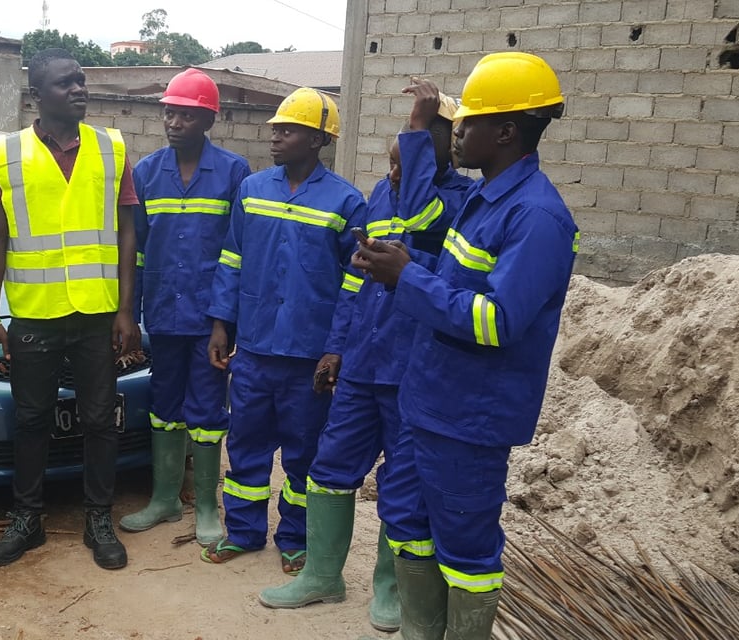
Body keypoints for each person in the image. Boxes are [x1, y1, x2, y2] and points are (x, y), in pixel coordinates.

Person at [352, 52, 577, 639]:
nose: (457, 132)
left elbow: (499, 321)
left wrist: (409, 276)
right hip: (429, 398)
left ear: (505, 132)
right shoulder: (486, 198)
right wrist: (399, 265)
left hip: (471, 416)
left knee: (466, 550)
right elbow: (457, 285)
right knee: (405, 519)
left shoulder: (537, 217)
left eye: (468, 123)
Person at [259, 85, 473, 633]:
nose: (394, 174)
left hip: (411, 370)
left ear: (439, 147)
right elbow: (355, 281)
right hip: (363, 361)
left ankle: (389, 590)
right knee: (329, 470)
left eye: (407, 160)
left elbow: (421, 216)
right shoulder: (380, 195)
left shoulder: (458, 202)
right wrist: (336, 346)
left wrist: (418, 128)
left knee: (401, 484)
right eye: (392, 163)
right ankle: (323, 576)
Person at [0, 48, 142, 570]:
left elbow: (126, 231)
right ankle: (28, 519)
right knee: (31, 420)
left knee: (99, 420)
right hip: (36, 313)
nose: (79, 89)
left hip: (96, 312)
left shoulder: (112, 147)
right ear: (37, 96)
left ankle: (98, 517)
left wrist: (125, 310)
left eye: (82, 81)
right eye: (66, 83)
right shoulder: (5, 154)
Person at [201, 88, 367, 575]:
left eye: (288, 129)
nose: (275, 135)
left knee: (303, 455)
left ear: (318, 139)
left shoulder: (346, 201)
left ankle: (294, 538)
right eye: (275, 128)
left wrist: (335, 349)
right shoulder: (252, 191)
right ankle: (245, 532)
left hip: (307, 357)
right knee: (246, 446)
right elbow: (231, 261)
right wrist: (220, 325)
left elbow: (353, 286)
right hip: (253, 349)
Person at [119, 69, 251, 545]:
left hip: (208, 320)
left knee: (208, 408)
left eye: (185, 114)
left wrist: (223, 321)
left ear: (207, 120)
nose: (173, 122)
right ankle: (164, 499)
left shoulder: (234, 173)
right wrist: (129, 314)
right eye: (169, 112)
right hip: (162, 314)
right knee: (164, 405)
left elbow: (237, 254)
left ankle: (208, 508)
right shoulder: (147, 173)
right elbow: (135, 250)